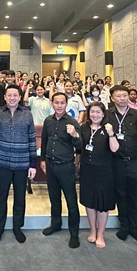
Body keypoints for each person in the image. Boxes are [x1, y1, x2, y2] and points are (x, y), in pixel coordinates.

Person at [0, 85, 37, 244]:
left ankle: (17, 227)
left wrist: (33, 164)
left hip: (22, 163)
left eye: (15, 95)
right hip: (3, 163)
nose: (12, 98)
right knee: (1, 197)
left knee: (20, 197)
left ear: (20, 97)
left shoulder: (27, 114)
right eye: (9, 95)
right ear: (5, 97)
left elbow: (32, 139)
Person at [106, 85, 137, 245]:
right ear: (112, 98)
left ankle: (134, 228)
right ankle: (124, 227)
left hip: (135, 161)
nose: (122, 98)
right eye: (119, 96)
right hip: (116, 161)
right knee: (121, 195)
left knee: (135, 196)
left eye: (125, 95)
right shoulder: (106, 115)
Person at [40, 92, 83, 248]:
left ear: (66, 104)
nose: (59, 105)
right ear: (52, 103)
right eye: (56, 102)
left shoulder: (72, 122)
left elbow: (80, 146)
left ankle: (74, 234)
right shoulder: (48, 120)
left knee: (71, 201)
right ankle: (56, 224)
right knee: (54, 198)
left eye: (62, 103)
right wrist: (43, 160)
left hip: (66, 166)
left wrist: (75, 135)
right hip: (51, 165)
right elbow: (44, 141)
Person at [79, 102, 119, 249]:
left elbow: (115, 149)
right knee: (89, 202)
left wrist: (111, 134)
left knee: (102, 204)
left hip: (104, 171)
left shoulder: (108, 128)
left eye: (98, 112)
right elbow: (79, 148)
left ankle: (101, 234)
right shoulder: (83, 127)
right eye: (92, 112)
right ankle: (93, 231)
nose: (95, 115)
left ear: (103, 114)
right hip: (87, 170)